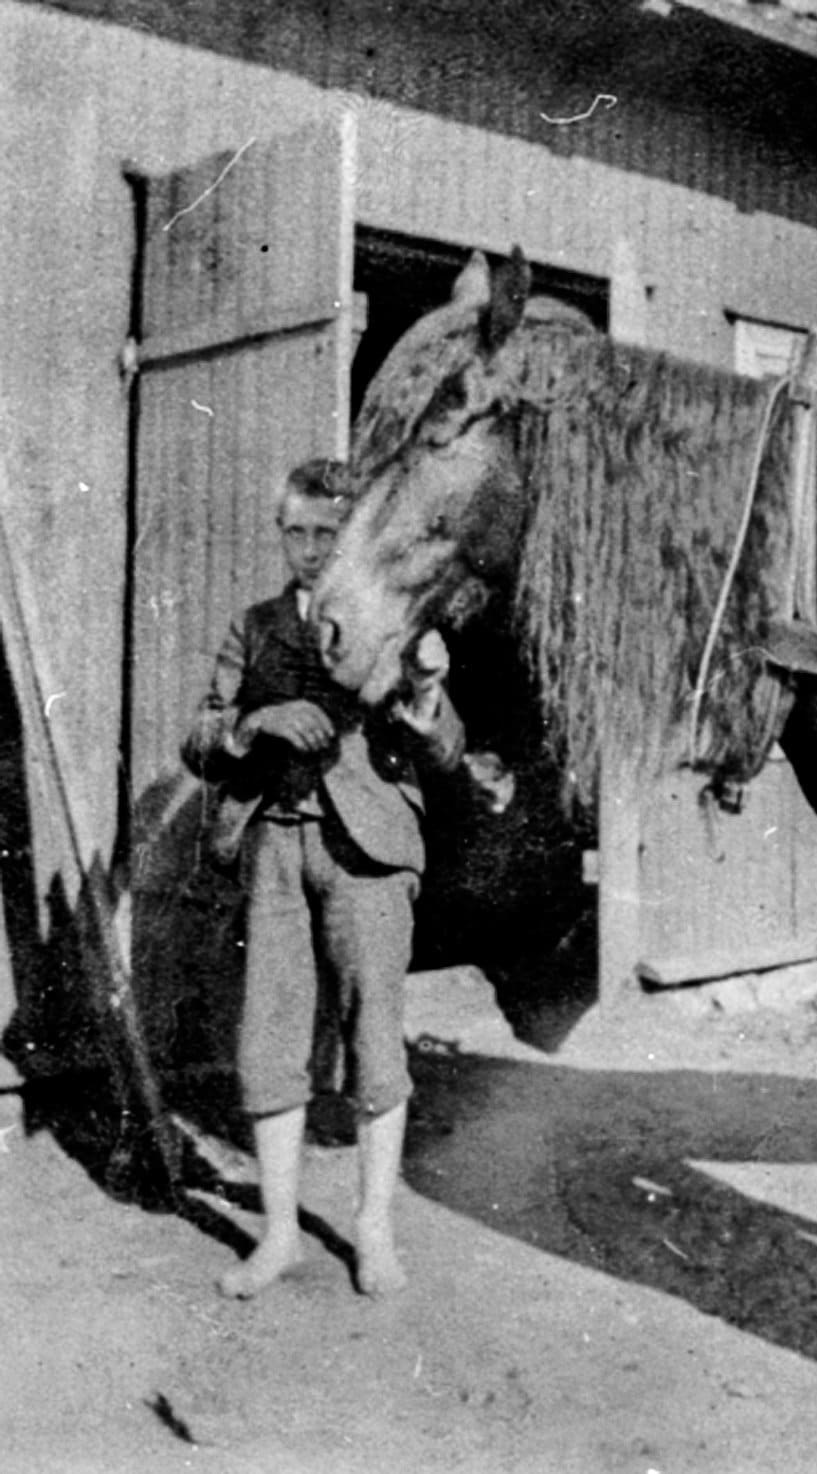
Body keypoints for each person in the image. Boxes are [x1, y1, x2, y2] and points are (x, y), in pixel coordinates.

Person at [183, 458, 464, 1299]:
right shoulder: (257, 626)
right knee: (267, 1045)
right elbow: (198, 737)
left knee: (375, 1042)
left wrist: (427, 690)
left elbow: (447, 747)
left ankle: (373, 1231)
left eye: (326, 534)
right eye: (295, 532)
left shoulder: (399, 623)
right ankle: (277, 1236)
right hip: (273, 844)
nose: (309, 550)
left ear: (353, 538)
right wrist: (255, 721)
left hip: (369, 854)